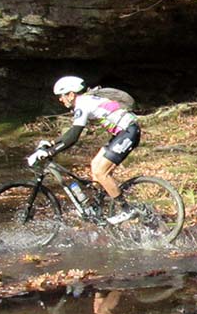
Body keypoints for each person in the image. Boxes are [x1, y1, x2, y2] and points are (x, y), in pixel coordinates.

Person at [27, 76, 140, 224]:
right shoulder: (85, 101)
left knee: (101, 172)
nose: (61, 99)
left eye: (62, 95)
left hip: (128, 133)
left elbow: (74, 136)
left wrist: (50, 152)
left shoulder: (83, 103)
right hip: (122, 133)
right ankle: (97, 208)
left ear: (71, 94)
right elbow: (71, 132)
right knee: (94, 167)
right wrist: (52, 143)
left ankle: (127, 209)